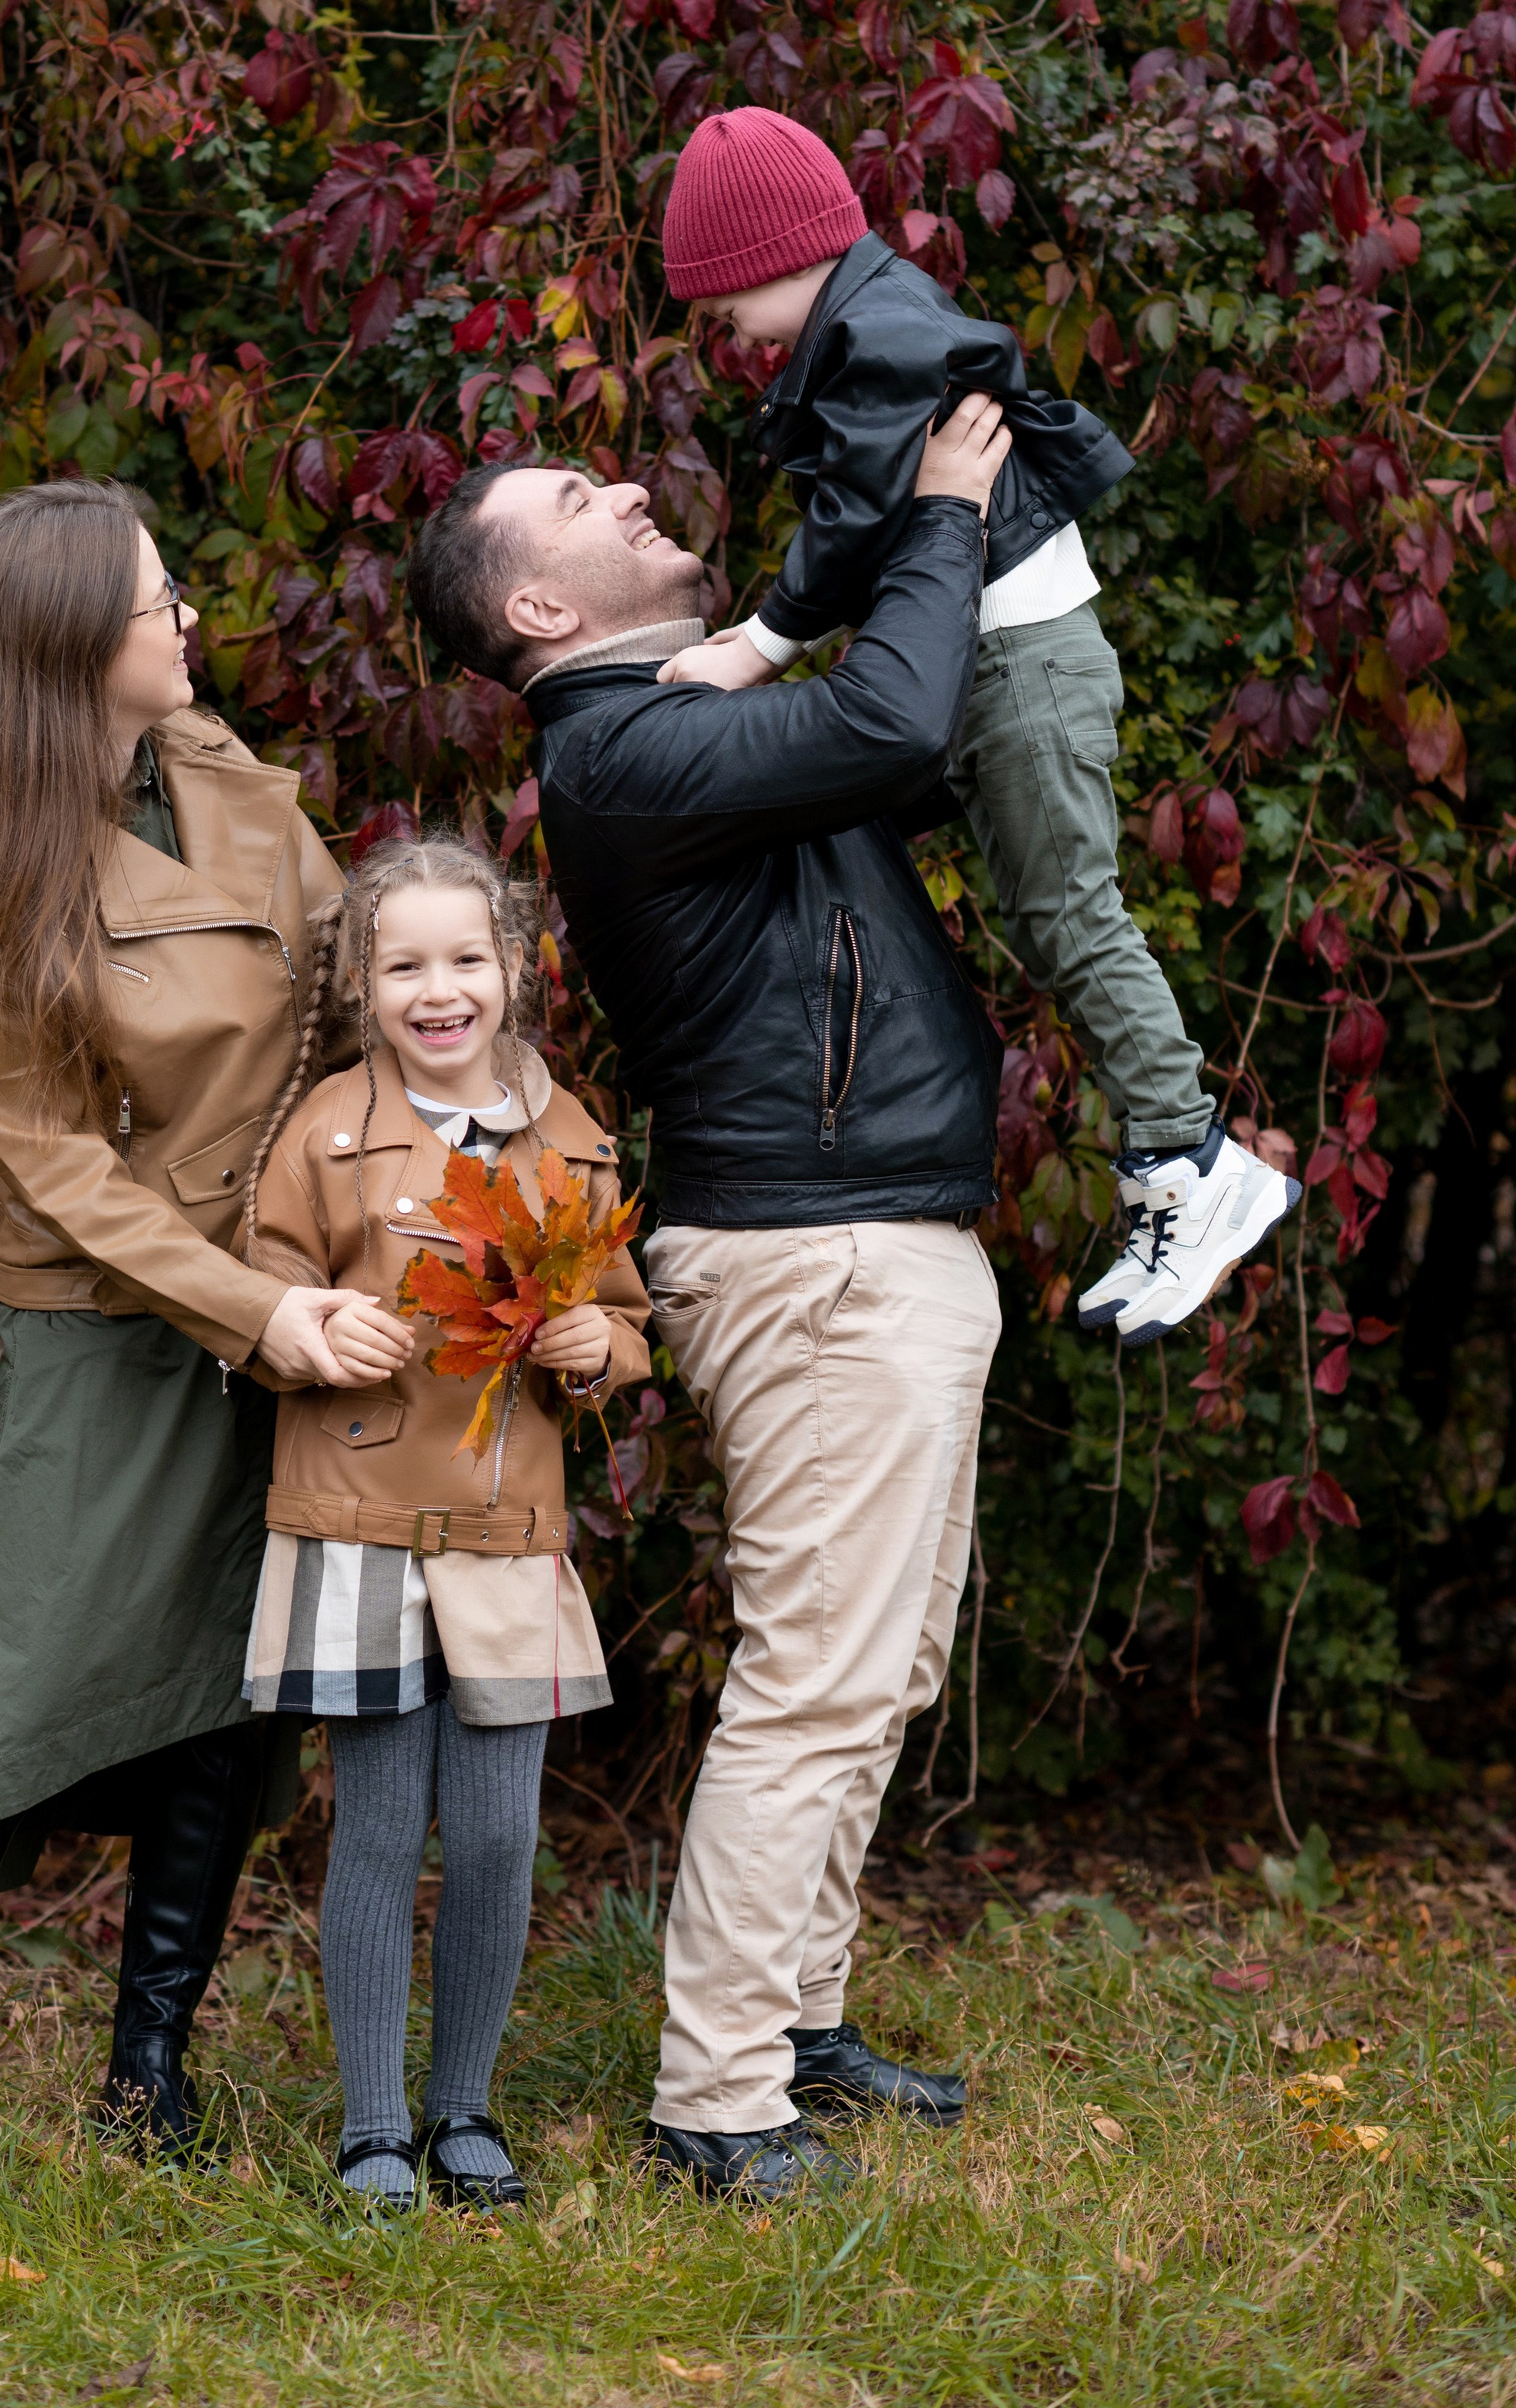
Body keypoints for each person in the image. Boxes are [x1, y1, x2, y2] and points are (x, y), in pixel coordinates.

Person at [0, 477, 409, 2217]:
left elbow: (347, 972)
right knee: (11, 1699)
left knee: (228, 1696)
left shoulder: (220, 775)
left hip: (289, 1299)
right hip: (117, 1330)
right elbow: (55, 1176)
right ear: (70, 644)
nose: (187, 619)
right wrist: (257, 1308)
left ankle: (150, 2074)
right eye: (156, 602)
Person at [405, 398, 1007, 2200]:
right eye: (573, 499)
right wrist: (945, 512)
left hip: (876, 1236)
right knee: (818, 1680)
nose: (621, 486)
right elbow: (896, 707)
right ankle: (717, 2098)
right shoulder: (610, 752)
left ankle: (798, 2020)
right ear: (537, 614)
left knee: (878, 1667)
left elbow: (921, 750)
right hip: (815, 1255)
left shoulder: (694, 722)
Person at [656, 105, 1298, 1339]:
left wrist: (763, 642)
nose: (722, 330)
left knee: (1070, 915)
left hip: (1020, 668)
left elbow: (852, 521)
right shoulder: (868, 325)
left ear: (764, 257)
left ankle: (1190, 1164)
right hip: (987, 667)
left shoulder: (887, 336)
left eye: (721, 300)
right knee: (904, 858)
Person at [237, 835, 650, 2213]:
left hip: (507, 1529)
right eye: (402, 963)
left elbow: (631, 1323)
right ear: (362, 979)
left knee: (493, 1837)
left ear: (514, 970)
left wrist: (599, 1345)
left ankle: (465, 2110)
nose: (438, 989)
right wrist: (304, 1335)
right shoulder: (326, 1133)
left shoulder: (572, 1135)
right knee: (375, 1828)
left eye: (465, 958)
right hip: (357, 1513)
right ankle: (372, 2125)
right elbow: (258, 1297)